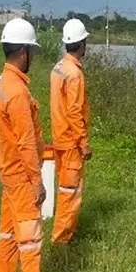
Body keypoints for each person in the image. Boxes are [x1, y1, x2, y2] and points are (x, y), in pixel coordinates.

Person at [0, 18, 56, 272]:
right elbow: (26, 142)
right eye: (32, 51)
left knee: (8, 231)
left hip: (7, 172)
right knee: (30, 237)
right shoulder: (17, 92)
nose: (33, 57)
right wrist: (37, 181)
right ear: (23, 52)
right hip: (21, 175)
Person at [50, 18, 92, 245]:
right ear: (81, 44)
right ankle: (62, 239)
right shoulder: (74, 74)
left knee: (65, 189)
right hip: (71, 143)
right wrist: (83, 142)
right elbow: (75, 111)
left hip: (60, 138)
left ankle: (63, 234)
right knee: (70, 193)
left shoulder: (58, 68)